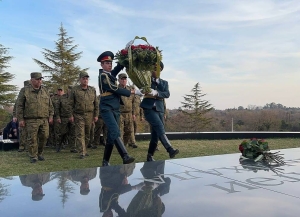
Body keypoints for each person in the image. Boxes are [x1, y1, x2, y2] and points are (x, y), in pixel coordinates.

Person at [97, 51, 142, 166]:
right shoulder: (103, 76)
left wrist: (126, 55)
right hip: (106, 108)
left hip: (115, 108)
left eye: (110, 63)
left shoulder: (110, 74)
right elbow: (114, 89)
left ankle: (105, 161)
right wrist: (133, 91)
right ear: (102, 64)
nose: (109, 65)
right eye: (107, 63)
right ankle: (125, 156)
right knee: (115, 131)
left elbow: (119, 67)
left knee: (112, 135)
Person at [140, 62, 179, 161]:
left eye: (158, 69)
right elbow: (141, 90)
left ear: (160, 71)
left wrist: (157, 92)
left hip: (160, 109)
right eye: (154, 69)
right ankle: (169, 149)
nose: (156, 71)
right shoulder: (146, 81)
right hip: (149, 108)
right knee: (159, 126)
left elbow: (167, 94)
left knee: (155, 134)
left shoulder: (164, 83)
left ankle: (150, 155)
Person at [16, 72, 54, 163]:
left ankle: (40, 153)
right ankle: (33, 155)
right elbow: (19, 105)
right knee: (32, 138)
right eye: (37, 79)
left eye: (40, 79)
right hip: (31, 119)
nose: (39, 81)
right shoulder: (24, 90)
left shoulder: (45, 90)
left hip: (44, 119)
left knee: (44, 137)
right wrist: (21, 119)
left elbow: (50, 105)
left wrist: (51, 115)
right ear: (32, 80)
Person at [69, 72, 99, 159]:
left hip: (89, 115)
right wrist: (71, 115)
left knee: (87, 134)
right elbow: (70, 104)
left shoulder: (92, 90)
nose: (85, 80)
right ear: (80, 79)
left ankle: (84, 149)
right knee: (80, 133)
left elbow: (96, 104)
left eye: (86, 78)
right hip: (79, 115)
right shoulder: (75, 90)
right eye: (83, 78)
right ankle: (81, 152)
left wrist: (96, 115)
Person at [118, 73, 137, 148]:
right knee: (120, 131)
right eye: (122, 79)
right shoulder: (116, 89)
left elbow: (134, 103)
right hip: (119, 113)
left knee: (129, 131)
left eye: (125, 79)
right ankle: (121, 147)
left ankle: (124, 144)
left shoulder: (130, 90)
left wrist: (133, 113)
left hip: (129, 113)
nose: (123, 80)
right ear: (118, 80)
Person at [14, 80, 31, 152]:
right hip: (22, 117)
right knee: (22, 132)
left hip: (30, 116)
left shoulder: (31, 95)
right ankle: (21, 146)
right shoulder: (21, 94)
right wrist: (15, 116)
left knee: (30, 133)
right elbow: (16, 106)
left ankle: (28, 147)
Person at [55, 87, 72, 152]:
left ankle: (73, 147)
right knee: (62, 132)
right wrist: (58, 117)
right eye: (69, 90)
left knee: (73, 133)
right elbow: (57, 108)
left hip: (72, 117)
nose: (70, 92)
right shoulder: (62, 98)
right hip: (63, 117)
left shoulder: (75, 98)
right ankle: (59, 145)